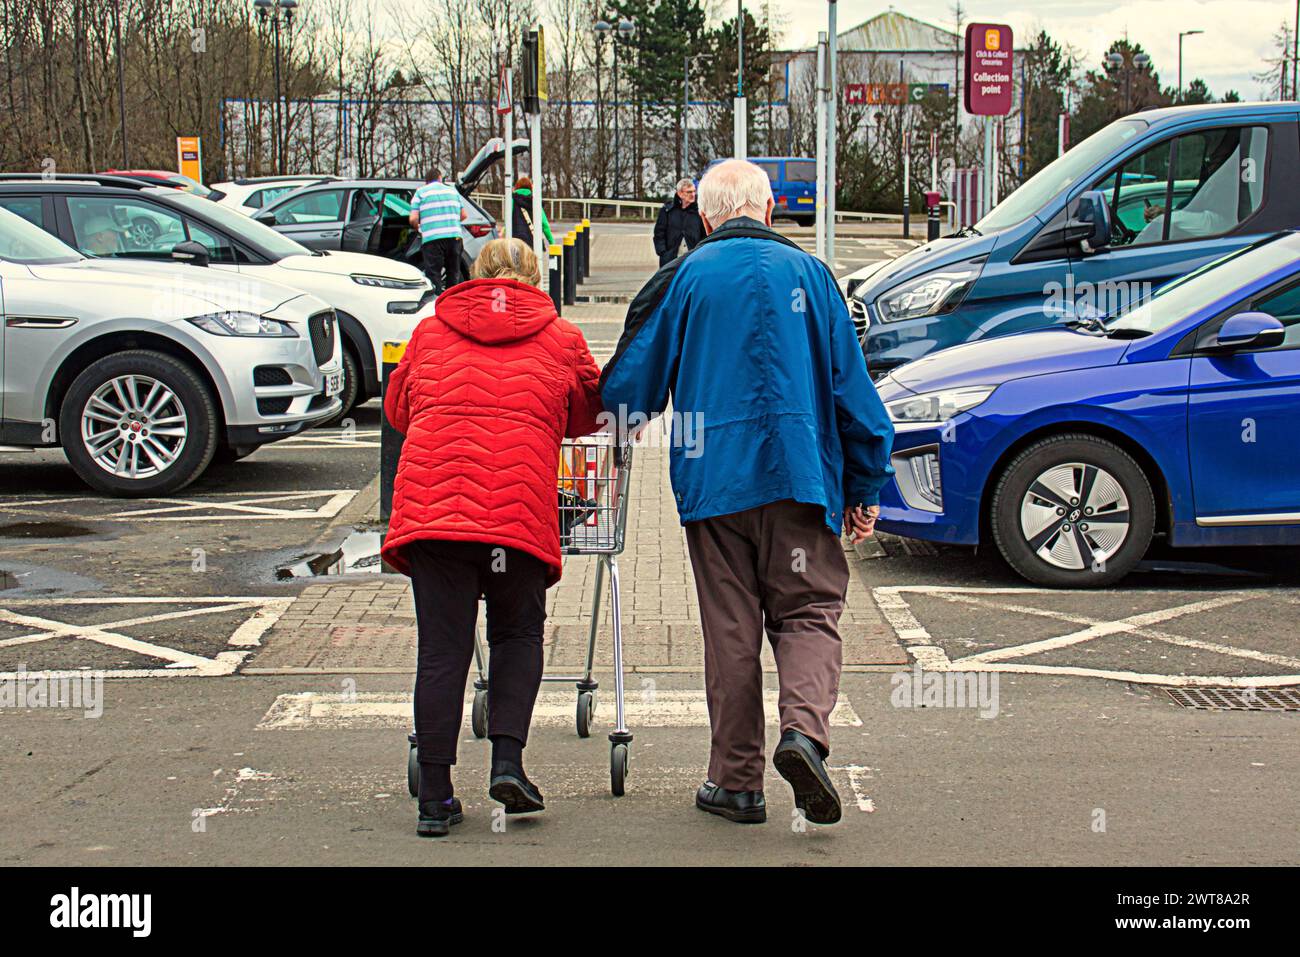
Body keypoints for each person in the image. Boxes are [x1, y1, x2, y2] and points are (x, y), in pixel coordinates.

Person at [600, 159, 894, 827]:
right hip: (801, 478)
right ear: (769, 212)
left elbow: (629, 393)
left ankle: (736, 782)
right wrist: (864, 483)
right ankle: (804, 733)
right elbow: (858, 398)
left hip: (716, 484)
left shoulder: (687, 277)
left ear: (704, 219)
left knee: (731, 630)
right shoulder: (814, 279)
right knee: (811, 610)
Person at [382, 237, 603, 838]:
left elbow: (399, 409)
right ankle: (508, 763)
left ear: (475, 276)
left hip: (436, 515)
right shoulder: (560, 338)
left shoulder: (431, 332)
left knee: (442, 651)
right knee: (516, 633)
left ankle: (434, 796)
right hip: (517, 515)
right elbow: (588, 413)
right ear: (536, 278)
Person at [409, 166, 468, 293]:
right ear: (440, 178)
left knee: (434, 275)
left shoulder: (420, 192)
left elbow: (413, 218)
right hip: (454, 238)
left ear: (426, 181)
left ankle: (436, 302)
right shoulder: (452, 191)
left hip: (432, 239)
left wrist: (418, 227)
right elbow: (464, 215)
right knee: (453, 273)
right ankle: (452, 302)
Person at [653, 178, 705, 266]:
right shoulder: (667, 210)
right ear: (680, 193)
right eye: (689, 192)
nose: (693, 194)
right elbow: (659, 233)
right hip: (670, 259)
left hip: (693, 259)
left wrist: (701, 253)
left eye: (694, 191)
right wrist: (663, 252)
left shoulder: (699, 211)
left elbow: (705, 235)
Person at [510, 175, 553, 250]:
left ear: (517, 187)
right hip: (533, 241)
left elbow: (508, 220)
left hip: (516, 241)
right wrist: (552, 242)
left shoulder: (512, 200)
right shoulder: (535, 201)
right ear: (530, 187)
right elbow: (544, 224)